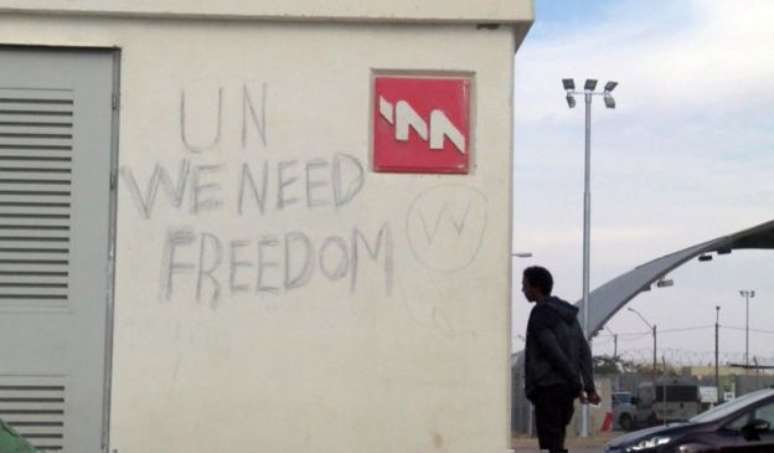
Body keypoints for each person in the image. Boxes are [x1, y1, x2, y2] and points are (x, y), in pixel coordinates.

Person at [522, 266, 600, 453]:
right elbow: (583, 351)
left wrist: (577, 384)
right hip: (566, 392)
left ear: (537, 287)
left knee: (550, 445)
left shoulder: (540, 314)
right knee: (557, 441)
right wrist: (588, 387)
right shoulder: (567, 315)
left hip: (548, 389)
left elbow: (553, 352)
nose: (523, 290)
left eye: (525, 285)